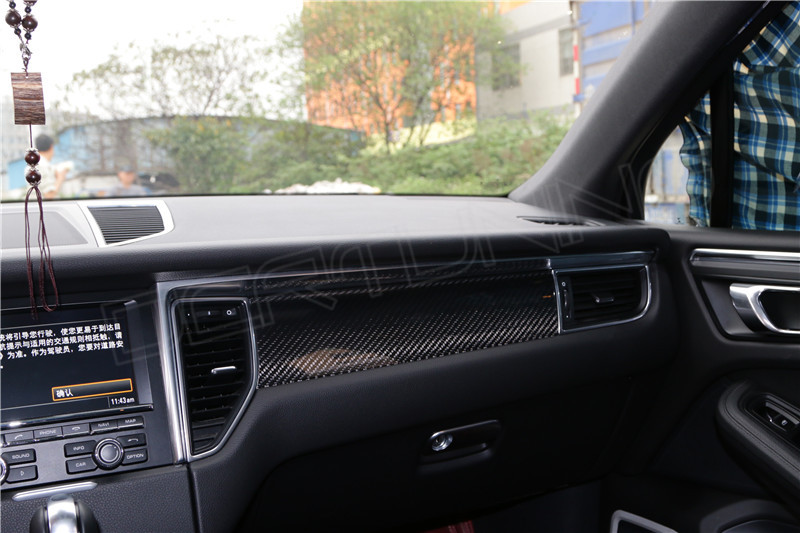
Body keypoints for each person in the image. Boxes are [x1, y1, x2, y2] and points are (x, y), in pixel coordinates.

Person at [34, 134, 68, 199]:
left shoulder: (34, 164)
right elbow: (49, 195)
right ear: (51, 147)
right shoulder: (44, 166)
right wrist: (60, 177)